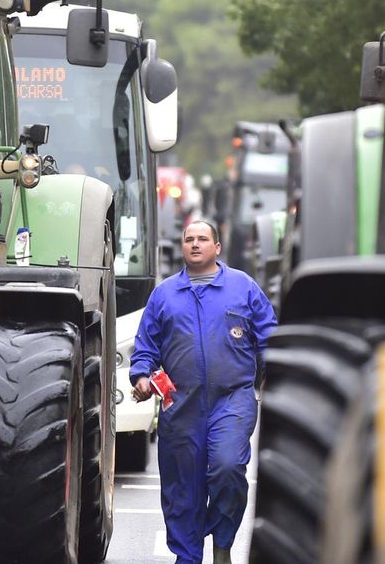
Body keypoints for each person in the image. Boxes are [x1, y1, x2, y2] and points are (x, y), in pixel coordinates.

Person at [130, 220, 277, 564]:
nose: (195, 244)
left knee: (227, 469)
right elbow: (146, 348)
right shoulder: (164, 294)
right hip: (180, 403)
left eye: (202, 239)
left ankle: (222, 543)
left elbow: (269, 336)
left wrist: (273, 372)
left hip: (233, 398)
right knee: (182, 490)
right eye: (188, 239)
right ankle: (188, 557)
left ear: (217, 247)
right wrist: (141, 376)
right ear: (182, 247)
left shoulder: (243, 287)